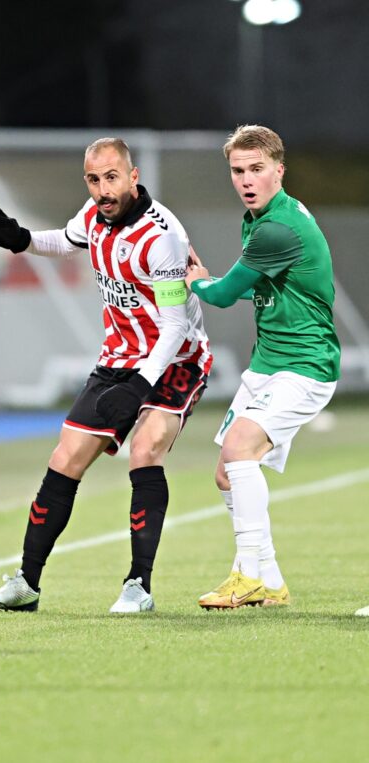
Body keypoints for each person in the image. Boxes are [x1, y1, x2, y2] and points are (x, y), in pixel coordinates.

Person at [0, 138, 212, 614]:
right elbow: (66, 241)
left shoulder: (161, 238)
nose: (103, 189)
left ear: (133, 176)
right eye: (93, 179)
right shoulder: (94, 214)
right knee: (65, 459)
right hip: (117, 357)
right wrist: (19, 238)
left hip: (175, 360)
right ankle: (27, 584)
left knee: (144, 450)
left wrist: (140, 388)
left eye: (111, 178)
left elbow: (175, 325)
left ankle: (138, 586)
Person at [185, 125, 340, 609]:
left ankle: (246, 574)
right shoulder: (259, 218)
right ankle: (270, 580)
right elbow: (260, 284)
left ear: (279, 170)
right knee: (228, 473)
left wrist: (197, 282)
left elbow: (227, 293)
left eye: (257, 169)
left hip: (305, 366)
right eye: (238, 170)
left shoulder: (276, 227)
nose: (247, 179)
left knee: (238, 448)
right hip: (268, 364)